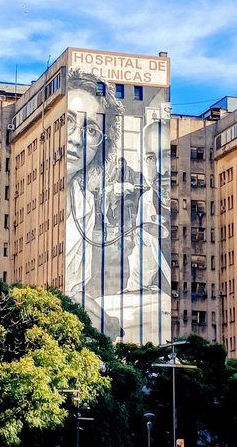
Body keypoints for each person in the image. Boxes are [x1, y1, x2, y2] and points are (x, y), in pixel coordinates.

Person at [63, 71, 122, 338]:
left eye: (91, 130)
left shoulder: (83, 203)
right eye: (68, 122)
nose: (76, 138)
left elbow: (72, 289)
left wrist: (105, 322)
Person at [126, 119, 171, 293]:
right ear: (141, 164)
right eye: (150, 158)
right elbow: (143, 265)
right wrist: (132, 291)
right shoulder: (146, 203)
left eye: (168, 154)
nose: (161, 168)